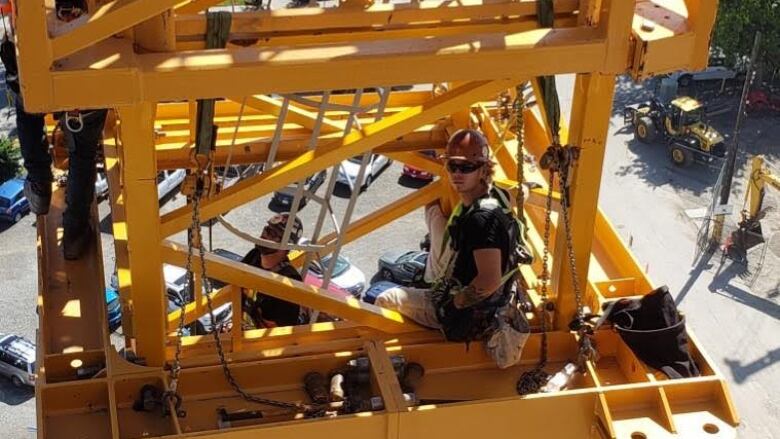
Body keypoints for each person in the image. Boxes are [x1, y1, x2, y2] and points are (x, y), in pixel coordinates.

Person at [375, 129, 531, 368]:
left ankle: (391, 360)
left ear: (482, 170)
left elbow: (489, 279)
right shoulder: (498, 195)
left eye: (466, 168)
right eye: (452, 167)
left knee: (386, 298)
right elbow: (516, 197)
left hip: (467, 314)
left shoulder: (481, 220)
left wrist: (453, 304)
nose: (457, 174)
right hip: (493, 302)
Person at [1, 0, 107, 260]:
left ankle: (39, 183)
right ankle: (74, 233)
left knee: (28, 110)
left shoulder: (35, 12)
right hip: (85, 91)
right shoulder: (98, 12)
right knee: (82, 157)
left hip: (36, 76)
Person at [240, 213, 304, 328]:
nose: (265, 235)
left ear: (286, 245)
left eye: (273, 233)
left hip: (263, 341)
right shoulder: (254, 256)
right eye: (266, 229)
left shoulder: (289, 280)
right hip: (242, 330)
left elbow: (282, 327)